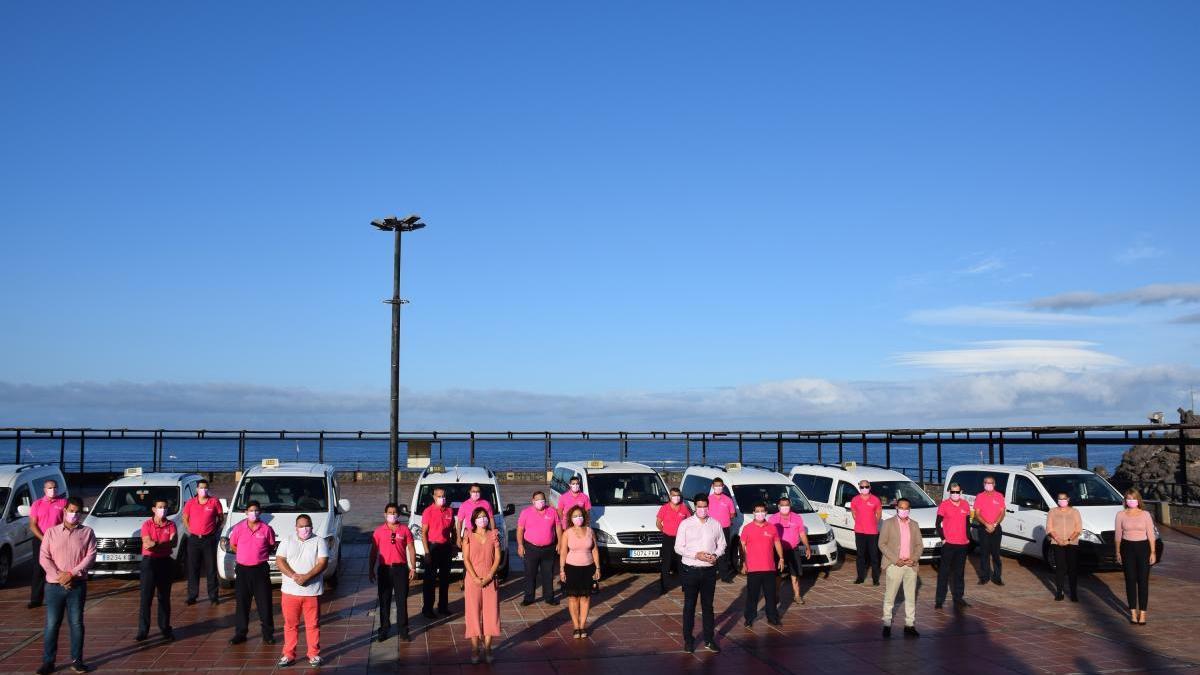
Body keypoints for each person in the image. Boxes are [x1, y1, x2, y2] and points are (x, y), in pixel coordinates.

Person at [36, 496, 95, 675]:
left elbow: (90, 556)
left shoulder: (87, 532)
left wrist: (71, 574)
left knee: (76, 623)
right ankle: (48, 662)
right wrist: (59, 577)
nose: (74, 515)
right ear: (65, 511)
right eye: (71, 511)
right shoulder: (51, 533)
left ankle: (77, 660)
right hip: (54, 587)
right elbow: (44, 557)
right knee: (52, 624)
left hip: (77, 585)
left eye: (77, 512)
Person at [674, 494, 726, 653]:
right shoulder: (686, 524)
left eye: (705, 506)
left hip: (709, 571)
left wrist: (715, 555)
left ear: (708, 507)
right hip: (690, 570)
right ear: (695, 507)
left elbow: (722, 544)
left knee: (708, 607)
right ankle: (688, 640)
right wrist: (696, 555)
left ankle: (709, 640)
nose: (702, 510)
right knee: (689, 606)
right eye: (699, 507)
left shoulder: (715, 524)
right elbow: (678, 547)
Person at [276, 514, 329, 668]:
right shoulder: (287, 540)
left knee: (313, 625)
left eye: (307, 525)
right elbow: (280, 560)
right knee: (290, 625)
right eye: (301, 526)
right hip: (289, 592)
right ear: (296, 527)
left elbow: (323, 563)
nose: (304, 529)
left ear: (312, 526)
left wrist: (307, 577)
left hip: (312, 592)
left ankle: (313, 654)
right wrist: (293, 575)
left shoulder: (320, 541)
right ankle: (288, 654)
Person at [228, 500, 277, 645]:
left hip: (260, 570)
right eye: (250, 510)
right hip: (243, 570)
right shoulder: (238, 528)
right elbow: (233, 545)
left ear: (260, 512)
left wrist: (257, 556)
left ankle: (268, 634)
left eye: (256, 510)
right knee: (242, 603)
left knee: (264, 603)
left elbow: (270, 546)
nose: (253, 513)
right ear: (246, 513)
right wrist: (244, 555)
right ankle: (240, 633)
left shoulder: (266, 529)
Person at [369, 503, 416, 642]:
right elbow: (373, 552)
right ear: (385, 514)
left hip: (400, 569)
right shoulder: (378, 531)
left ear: (399, 515)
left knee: (401, 601)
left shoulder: (405, 530)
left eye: (395, 512)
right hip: (384, 570)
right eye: (390, 512)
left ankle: (403, 630)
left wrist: (412, 567)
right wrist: (370, 569)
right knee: (384, 601)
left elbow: (411, 548)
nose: (392, 515)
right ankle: (384, 629)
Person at [462, 506, 502, 664]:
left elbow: (497, 558)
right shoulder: (468, 536)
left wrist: (489, 576)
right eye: (479, 517)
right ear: (474, 520)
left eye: (485, 516)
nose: (483, 519)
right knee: (472, 613)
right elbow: (466, 559)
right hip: (473, 578)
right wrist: (475, 578)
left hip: (490, 578)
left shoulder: (494, 535)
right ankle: (474, 648)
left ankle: (488, 647)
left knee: (491, 613)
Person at [879, 498, 923, 638]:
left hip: (910, 565)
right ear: (896, 508)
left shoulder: (914, 525)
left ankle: (909, 625)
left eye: (906, 508)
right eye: (901, 508)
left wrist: (914, 559)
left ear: (909, 509)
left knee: (910, 597)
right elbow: (882, 544)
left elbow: (919, 545)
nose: (904, 510)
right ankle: (887, 623)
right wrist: (895, 559)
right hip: (894, 565)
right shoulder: (888, 523)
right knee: (890, 595)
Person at [136, 499, 177, 642]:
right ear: (154, 509)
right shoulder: (147, 524)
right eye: (160, 507)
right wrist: (164, 545)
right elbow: (147, 543)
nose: (163, 510)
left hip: (165, 562)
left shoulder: (171, 524)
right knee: (146, 598)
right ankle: (143, 630)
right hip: (149, 562)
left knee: (164, 597)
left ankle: (165, 628)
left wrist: (157, 545)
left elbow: (174, 542)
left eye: (165, 507)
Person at [559, 505, 601, 639]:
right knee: (573, 598)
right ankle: (575, 626)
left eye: (580, 515)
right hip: (571, 568)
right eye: (575, 516)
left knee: (585, 597)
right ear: (571, 518)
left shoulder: (590, 531)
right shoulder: (567, 533)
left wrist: (598, 567)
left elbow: (594, 550)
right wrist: (561, 570)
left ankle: (582, 626)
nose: (578, 518)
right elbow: (563, 552)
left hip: (588, 568)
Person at [740, 502, 785, 627]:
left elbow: (777, 543)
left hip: (769, 568)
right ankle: (749, 618)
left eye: (762, 511)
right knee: (752, 596)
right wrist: (743, 562)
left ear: (766, 513)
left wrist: (781, 558)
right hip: (753, 569)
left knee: (770, 596)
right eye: (757, 511)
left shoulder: (772, 528)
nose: (760, 513)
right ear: (753, 513)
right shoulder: (747, 528)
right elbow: (742, 545)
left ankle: (773, 617)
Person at [1115, 489, 1155, 625]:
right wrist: (1118, 552)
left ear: (1138, 500)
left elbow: (1151, 534)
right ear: (1125, 500)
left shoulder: (1145, 514)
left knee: (1143, 581)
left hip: (1143, 548)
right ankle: (1133, 612)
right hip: (1127, 548)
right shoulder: (1120, 515)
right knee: (1130, 580)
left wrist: (1153, 552)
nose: (1131, 501)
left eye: (1133, 498)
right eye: (1128, 498)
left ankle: (1142, 613)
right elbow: (1118, 536)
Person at [182, 479, 224, 605]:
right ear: (197, 489)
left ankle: (213, 596)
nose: (203, 490)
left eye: (205, 488)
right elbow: (185, 518)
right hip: (194, 540)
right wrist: (190, 530)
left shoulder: (214, 502)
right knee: (193, 568)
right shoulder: (190, 503)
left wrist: (214, 530)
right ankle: (192, 596)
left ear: (208, 489)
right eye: (201, 488)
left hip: (209, 540)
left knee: (211, 569)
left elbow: (220, 518)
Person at [28, 478, 67, 610]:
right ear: (44, 490)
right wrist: (43, 538)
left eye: (55, 487)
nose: (53, 490)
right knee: (38, 569)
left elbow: (66, 522)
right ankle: (35, 599)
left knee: (59, 566)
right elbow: (32, 525)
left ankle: (61, 596)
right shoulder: (37, 504)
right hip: (40, 540)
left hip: (57, 540)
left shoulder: (63, 503)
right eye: (50, 488)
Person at [517, 491, 560, 606]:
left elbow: (558, 527)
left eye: (542, 500)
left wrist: (560, 542)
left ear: (545, 500)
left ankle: (549, 597)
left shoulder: (552, 511)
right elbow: (520, 529)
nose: (540, 502)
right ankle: (529, 597)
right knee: (530, 574)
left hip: (549, 549)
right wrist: (520, 545)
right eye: (537, 500)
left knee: (548, 574)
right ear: (533, 501)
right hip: (531, 548)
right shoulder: (525, 513)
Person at [768, 495, 810, 604]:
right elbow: (769, 536)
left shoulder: (797, 518)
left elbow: (802, 533)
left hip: (793, 549)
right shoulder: (773, 519)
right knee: (778, 574)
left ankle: (797, 595)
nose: (785, 507)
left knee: (795, 574)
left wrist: (807, 547)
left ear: (790, 505)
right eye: (782, 505)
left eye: (787, 505)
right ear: (778, 506)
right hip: (778, 551)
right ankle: (776, 595)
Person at [934, 483, 971, 610]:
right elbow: (938, 524)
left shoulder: (965, 505)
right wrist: (943, 539)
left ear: (961, 492)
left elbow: (967, 524)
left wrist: (968, 539)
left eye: (957, 492)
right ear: (949, 492)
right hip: (949, 545)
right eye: (952, 492)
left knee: (959, 573)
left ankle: (958, 598)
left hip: (962, 544)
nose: (955, 494)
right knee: (944, 573)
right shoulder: (944, 504)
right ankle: (939, 601)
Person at [421, 487, 455, 619]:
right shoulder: (428, 511)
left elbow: (453, 530)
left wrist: (453, 545)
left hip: (445, 547)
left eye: (443, 496)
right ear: (434, 497)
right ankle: (427, 608)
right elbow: (423, 533)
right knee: (429, 580)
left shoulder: (450, 511)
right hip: (433, 547)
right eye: (439, 496)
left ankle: (443, 607)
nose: (442, 498)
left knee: (445, 580)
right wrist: (427, 552)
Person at [1045, 491, 1082, 602]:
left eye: (1064, 499)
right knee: (1060, 568)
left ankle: (1073, 593)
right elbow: (1049, 528)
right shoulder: (1052, 512)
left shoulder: (1075, 512)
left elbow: (1078, 528)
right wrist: (1058, 539)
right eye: (1060, 499)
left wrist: (1069, 540)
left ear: (1068, 499)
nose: (1062, 501)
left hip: (1072, 543)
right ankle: (1059, 591)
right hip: (1057, 543)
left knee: (1072, 569)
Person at [655, 487, 691, 594]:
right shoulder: (664, 508)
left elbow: (689, 522)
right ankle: (664, 586)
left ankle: (685, 585)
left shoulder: (684, 508)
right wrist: (665, 531)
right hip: (668, 538)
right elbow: (658, 523)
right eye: (674, 495)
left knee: (682, 562)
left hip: (681, 540)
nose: (676, 498)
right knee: (666, 563)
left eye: (678, 495)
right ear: (670, 496)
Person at [850, 478, 883, 585]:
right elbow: (854, 512)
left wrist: (873, 523)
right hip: (859, 531)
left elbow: (879, 514)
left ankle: (875, 579)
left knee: (874, 556)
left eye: (866, 487)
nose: (864, 489)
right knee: (860, 555)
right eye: (862, 487)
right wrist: (860, 522)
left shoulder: (875, 500)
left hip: (872, 532)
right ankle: (860, 577)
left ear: (870, 487)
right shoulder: (855, 499)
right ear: (859, 488)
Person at [974, 475, 1006, 586]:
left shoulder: (999, 496)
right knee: (984, 554)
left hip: (996, 528)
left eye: (990, 483)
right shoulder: (979, 496)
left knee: (996, 554)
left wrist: (995, 524)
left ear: (994, 484)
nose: (988, 485)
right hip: (983, 528)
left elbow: (1002, 513)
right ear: (983, 484)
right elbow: (977, 514)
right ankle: (984, 577)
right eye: (986, 483)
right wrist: (987, 524)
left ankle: (997, 577)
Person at [707, 478, 738, 583]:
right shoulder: (708, 499)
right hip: (711, 528)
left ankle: (724, 576)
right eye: (716, 485)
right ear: (712, 486)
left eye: (720, 485)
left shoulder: (728, 500)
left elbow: (732, 513)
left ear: (723, 486)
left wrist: (726, 519)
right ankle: (711, 574)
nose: (718, 487)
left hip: (725, 528)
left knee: (723, 551)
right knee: (710, 549)